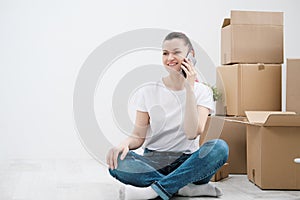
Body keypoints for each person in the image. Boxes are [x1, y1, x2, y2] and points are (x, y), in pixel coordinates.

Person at [106, 32, 229, 200]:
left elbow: (193, 132)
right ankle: (183, 188)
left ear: (190, 55)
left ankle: (154, 190)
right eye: (165, 53)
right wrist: (124, 144)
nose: (170, 58)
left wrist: (189, 88)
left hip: (189, 163)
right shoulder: (148, 91)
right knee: (118, 162)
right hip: (154, 161)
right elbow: (138, 136)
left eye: (176, 52)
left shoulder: (202, 92)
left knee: (219, 148)